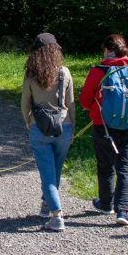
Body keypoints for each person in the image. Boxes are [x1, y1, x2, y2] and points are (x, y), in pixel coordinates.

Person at [79, 34, 128, 226]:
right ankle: (123, 211)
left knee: (105, 167)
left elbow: (85, 101)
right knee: (125, 166)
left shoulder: (98, 71)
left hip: (103, 127)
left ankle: (105, 204)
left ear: (106, 50)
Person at [21, 32, 76, 232]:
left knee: (47, 175)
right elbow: (71, 104)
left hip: (40, 128)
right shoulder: (65, 72)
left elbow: (24, 104)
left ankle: (57, 215)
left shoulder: (30, 75)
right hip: (64, 127)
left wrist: (29, 122)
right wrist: (73, 129)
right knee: (56, 170)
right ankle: (47, 204)